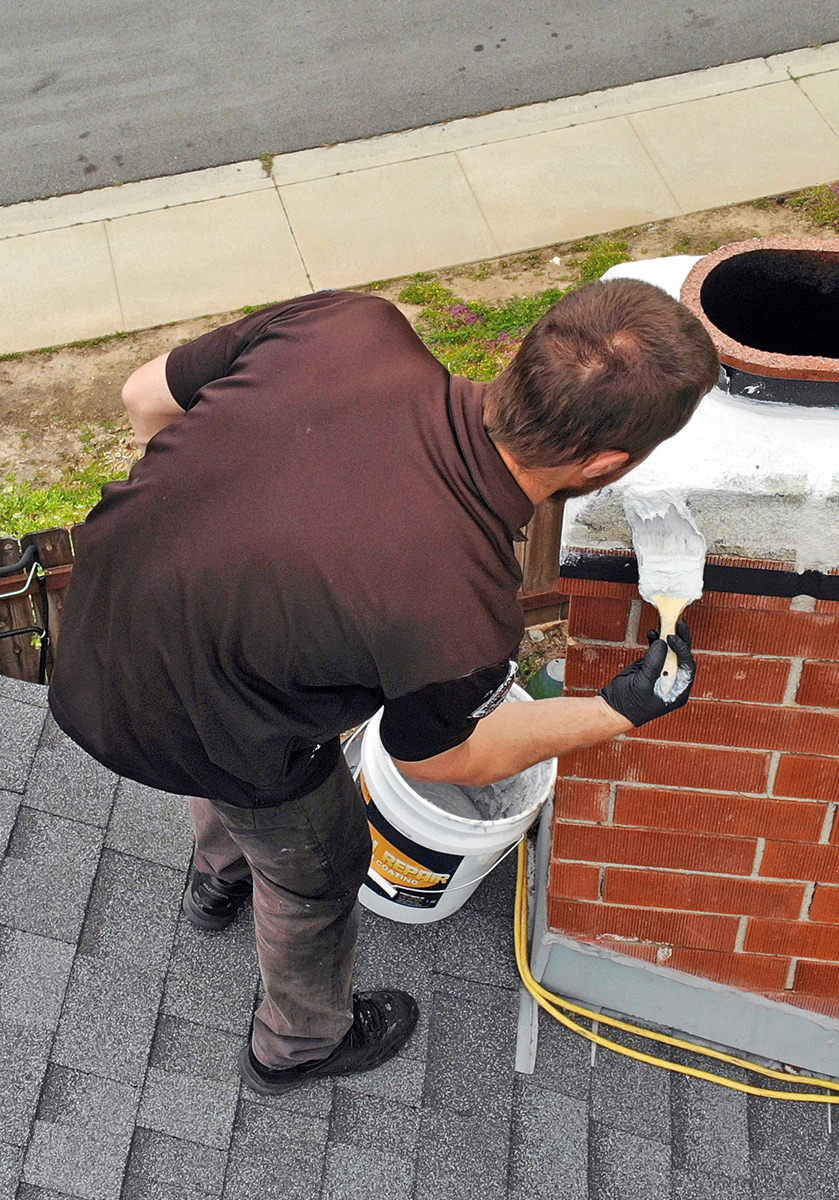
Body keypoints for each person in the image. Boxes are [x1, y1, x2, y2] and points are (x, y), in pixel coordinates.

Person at [48, 280, 719, 1095]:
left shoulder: (345, 326)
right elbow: (441, 757)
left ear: (526, 356)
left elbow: (141, 395)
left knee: (220, 741)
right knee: (319, 870)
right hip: (209, 729)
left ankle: (216, 879)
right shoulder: (460, 608)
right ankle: (299, 1045)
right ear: (609, 464)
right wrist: (618, 709)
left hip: (96, 634)